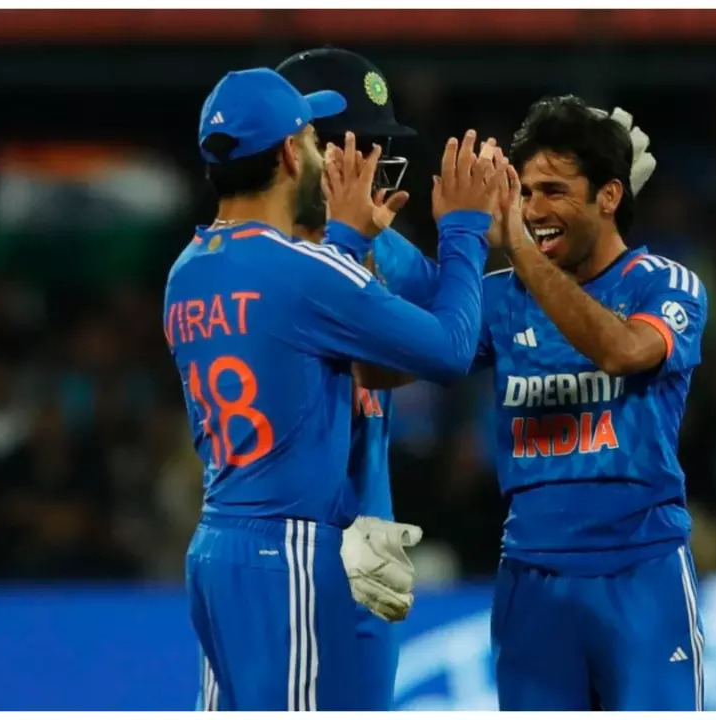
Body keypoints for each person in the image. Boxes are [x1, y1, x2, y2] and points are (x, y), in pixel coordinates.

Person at [166, 66, 499, 710]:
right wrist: (466, 229)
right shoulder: (310, 266)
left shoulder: (189, 268)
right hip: (295, 542)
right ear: (294, 152)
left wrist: (351, 239)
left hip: (250, 535)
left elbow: (319, 339)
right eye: (321, 139)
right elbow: (451, 345)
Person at [484, 96, 706, 711]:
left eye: (553, 191)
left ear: (609, 196)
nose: (532, 211)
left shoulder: (663, 283)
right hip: (530, 579)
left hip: (642, 571)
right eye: (524, 194)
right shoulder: (500, 298)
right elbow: (398, 359)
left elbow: (625, 351)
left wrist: (522, 255)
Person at [276, 46, 429, 711]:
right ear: (299, 148)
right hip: (274, 540)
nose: (370, 168)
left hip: (371, 533)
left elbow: (468, 332)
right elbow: (405, 360)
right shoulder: (252, 253)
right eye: (353, 148)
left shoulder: (388, 246)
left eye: (376, 149)